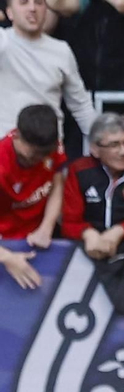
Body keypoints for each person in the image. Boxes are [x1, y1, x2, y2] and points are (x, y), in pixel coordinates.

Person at [0, 0, 98, 154]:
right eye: (24, 2)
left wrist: (101, 139)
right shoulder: (3, 41)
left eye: (38, 2)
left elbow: (80, 105)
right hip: (5, 150)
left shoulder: (61, 50)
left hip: (49, 151)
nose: (32, 8)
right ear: (10, 13)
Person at [61, 113, 124, 260]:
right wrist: (87, 233)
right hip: (89, 248)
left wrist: (120, 230)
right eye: (114, 145)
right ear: (95, 149)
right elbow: (69, 224)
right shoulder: (79, 171)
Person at [0, 105, 65, 290]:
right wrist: (6, 257)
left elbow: (56, 181)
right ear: (17, 135)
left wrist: (47, 226)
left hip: (38, 242)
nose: (38, 160)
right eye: (31, 156)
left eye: (43, 154)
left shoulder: (51, 147)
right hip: (5, 244)